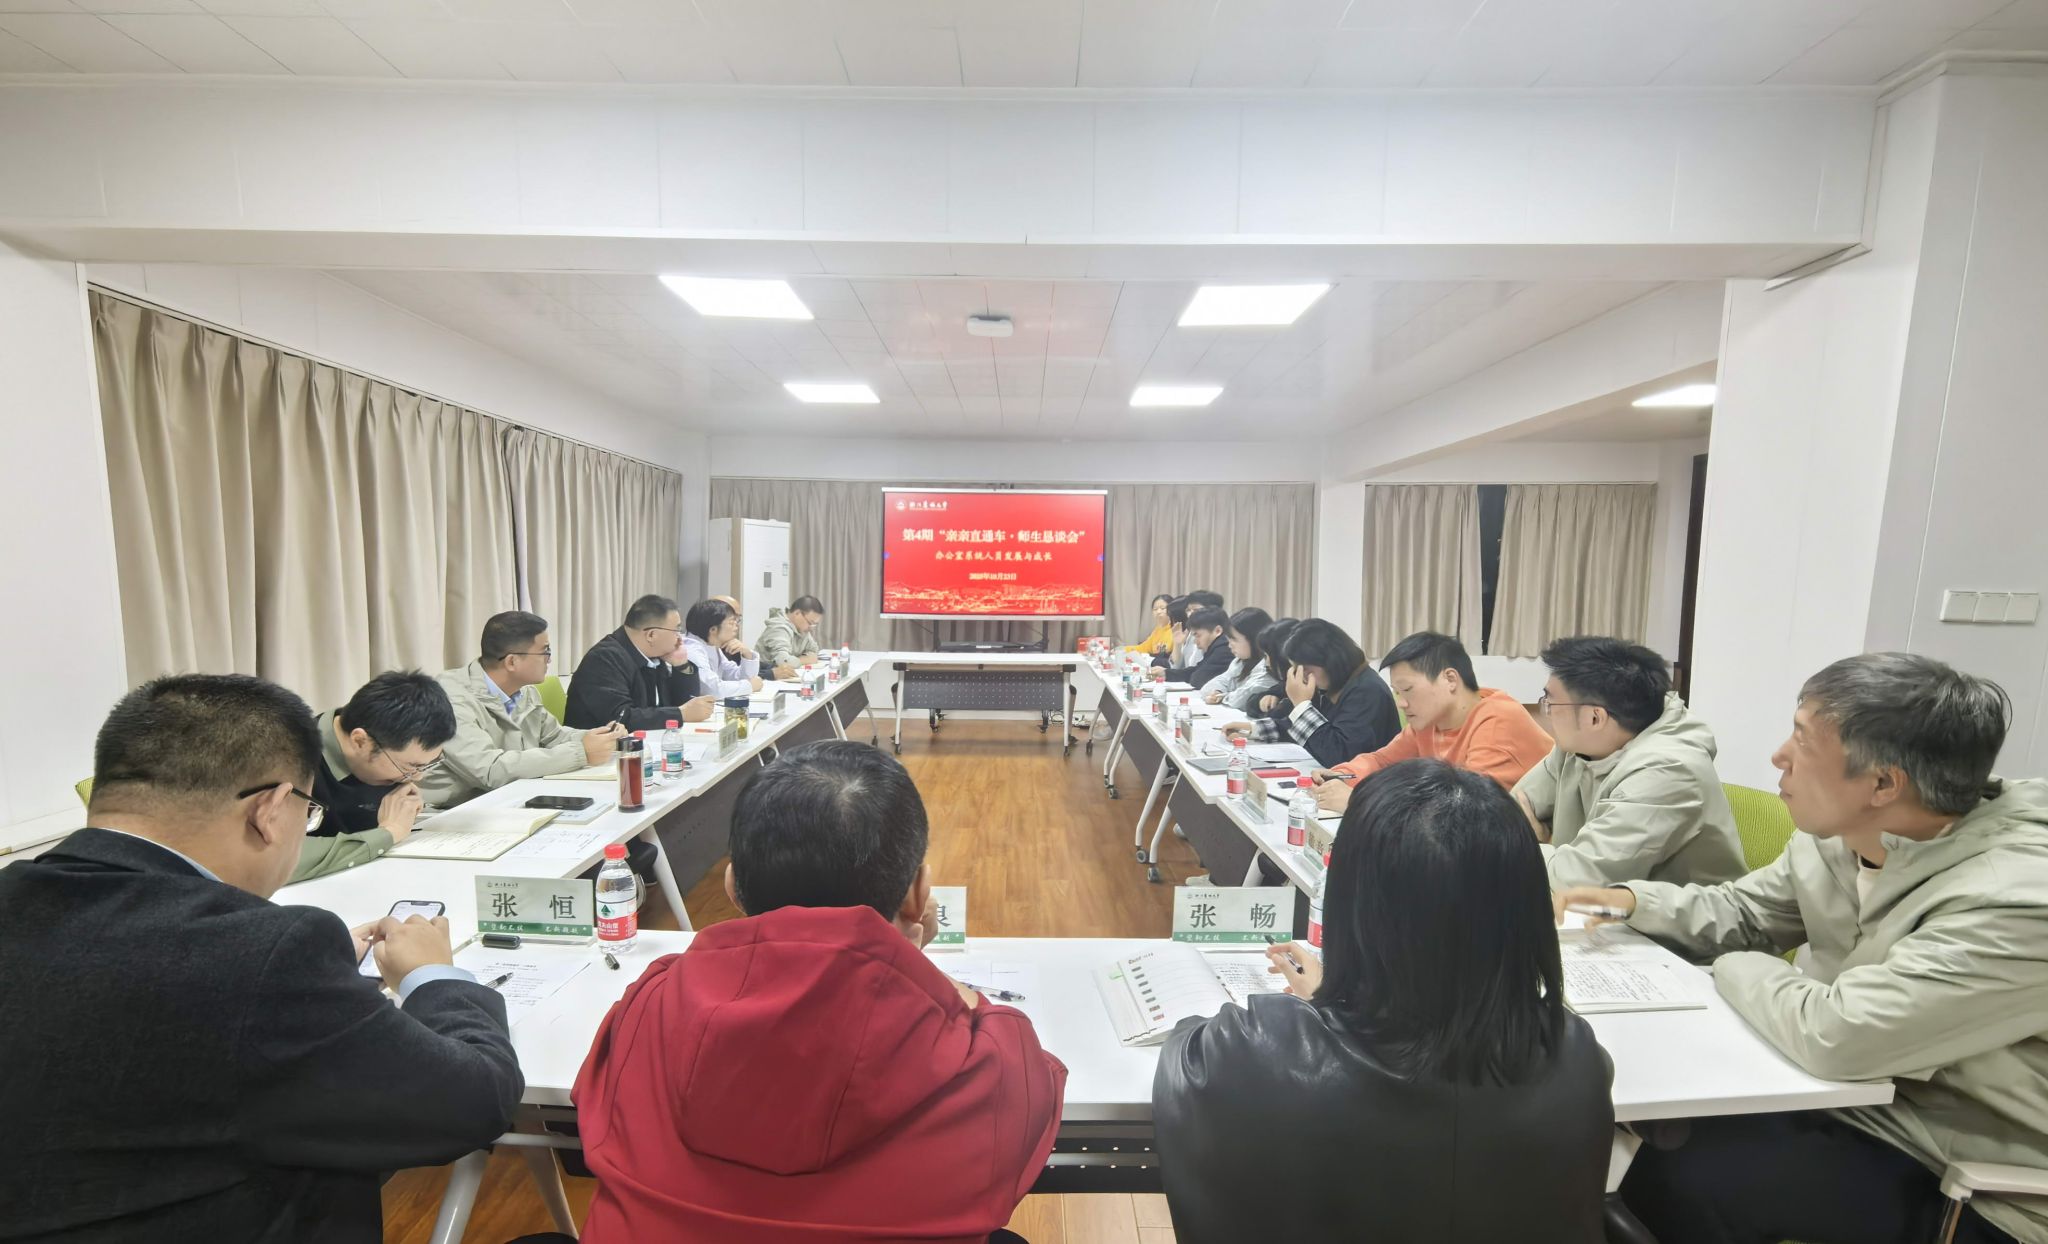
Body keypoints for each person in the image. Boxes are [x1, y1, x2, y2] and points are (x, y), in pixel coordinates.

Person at [0, 673, 522, 1243]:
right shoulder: (266, 953)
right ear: (270, 809)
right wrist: (432, 977)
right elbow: (475, 1102)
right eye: (308, 814)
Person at [1557, 653, 2048, 1244]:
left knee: (1689, 1179)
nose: (1778, 756)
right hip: (1855, 1105)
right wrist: (1633, 901)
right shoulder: (1842, 839)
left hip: (1971, 1175)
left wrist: (1736, 966)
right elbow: (1745, 913)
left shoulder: (2016, 899)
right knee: (1627, 1136)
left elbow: (1841, 1035)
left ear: (1883, 783)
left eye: (1802, 739)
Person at [573, 740, 1067, 1243]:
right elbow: (1026, 1086)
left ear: (732, 887)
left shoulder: (651, 1005)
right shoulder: (990, 1064)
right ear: (919, 895)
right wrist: (912, 961)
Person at [1155, 760, 1612, 1243]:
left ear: (1354, 900)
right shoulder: (1575, 1056)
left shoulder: (1253, 1047)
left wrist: (1330, 1005)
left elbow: (1182, 1055)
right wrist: (1339, 1002)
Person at [1513, 636, 1745, 890]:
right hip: (1597, 906)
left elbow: (1578, 878)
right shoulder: (1579, 745)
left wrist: (1531, 845)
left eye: (1550, 702)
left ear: (1594, 717)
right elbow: (1511, 812)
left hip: (1668, 915)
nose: (1546, 712)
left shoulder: (1668, 771)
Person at [1310, 631, 1555, 813]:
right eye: (1397, 692)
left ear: (1450, 679)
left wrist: (1358, 801)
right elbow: (1382, 762)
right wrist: (1341, 775)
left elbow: (1464, 811)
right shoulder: (1430, 722)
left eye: (1407, 690)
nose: (1401, 703)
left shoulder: (1497, 722)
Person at [420, 611, 627, 808]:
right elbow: (490, 771)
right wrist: (581, 751)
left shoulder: (524, 691)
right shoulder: (451, 698)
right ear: (512, 661)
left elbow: (554, 736)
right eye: (545, 652)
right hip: (449, 810)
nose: (549, 660)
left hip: (508, 799)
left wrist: (601, 738)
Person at [295, 670, 456, 883]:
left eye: (428, 765)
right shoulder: (289, 756)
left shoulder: (385, 751)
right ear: (360, 741)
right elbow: (273, 857)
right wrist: (389, 832)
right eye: (411, 766)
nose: (416, 778)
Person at [1222, 619, 1400, 769]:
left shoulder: (1366, 691)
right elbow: (1299, 727)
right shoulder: (1333, 682)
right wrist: (1254, 729)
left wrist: (1302, 706)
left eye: (1306, 668)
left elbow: (1339, 755)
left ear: (1330, 660)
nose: (1302, 675)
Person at [564, 594, 714, 731]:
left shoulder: (654, 655)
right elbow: (621, 718)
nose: (679, 638)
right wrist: (680, 714)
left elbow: (683, 705)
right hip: (601, 749)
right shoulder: (604, 659)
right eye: (676, 630)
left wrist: (681, 664)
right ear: (651, 635)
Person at [684, 597, 764, 697]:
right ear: (713, 629)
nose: (736, 626)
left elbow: (737, 676)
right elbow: (712, 690)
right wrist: (749, 686)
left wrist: (747, 654)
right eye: (731, 622)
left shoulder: (711, 645)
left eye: (737, 621)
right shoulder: (691, 650)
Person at [1202, 607, 1278, 712]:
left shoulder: (1269, 665)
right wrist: (1217, 691)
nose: (1229, 645)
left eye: (1234, 639)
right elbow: (1214, 684)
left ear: (1254, 639)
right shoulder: (1239, 662)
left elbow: (1243, 699)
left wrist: (1222, 697)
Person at [756, 595, 825, 678]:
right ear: (797, 613)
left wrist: (797, 660)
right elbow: (783, 661)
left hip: (786, 676)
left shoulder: (802, 628)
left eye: (814, 625)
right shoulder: (778, 628)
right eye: (810, 623)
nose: (811, 628)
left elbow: (814, 650)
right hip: (766, 678)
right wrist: (805, 659)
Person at [1165, 605, 1233, 689]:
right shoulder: (1215, 647)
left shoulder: (1224, 650)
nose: (1195, 641)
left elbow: (1198, 679)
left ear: (1217, 631)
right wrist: (1166, 673)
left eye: (1197, 635)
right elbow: (1197, 669)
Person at [1150, 595, 1193, 669]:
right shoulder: (1183, 635)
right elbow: (1174, 665)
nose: (1170, 623)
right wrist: (1177, 644)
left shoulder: (1194, 636)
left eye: (1171, 619)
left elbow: (1189, 668)